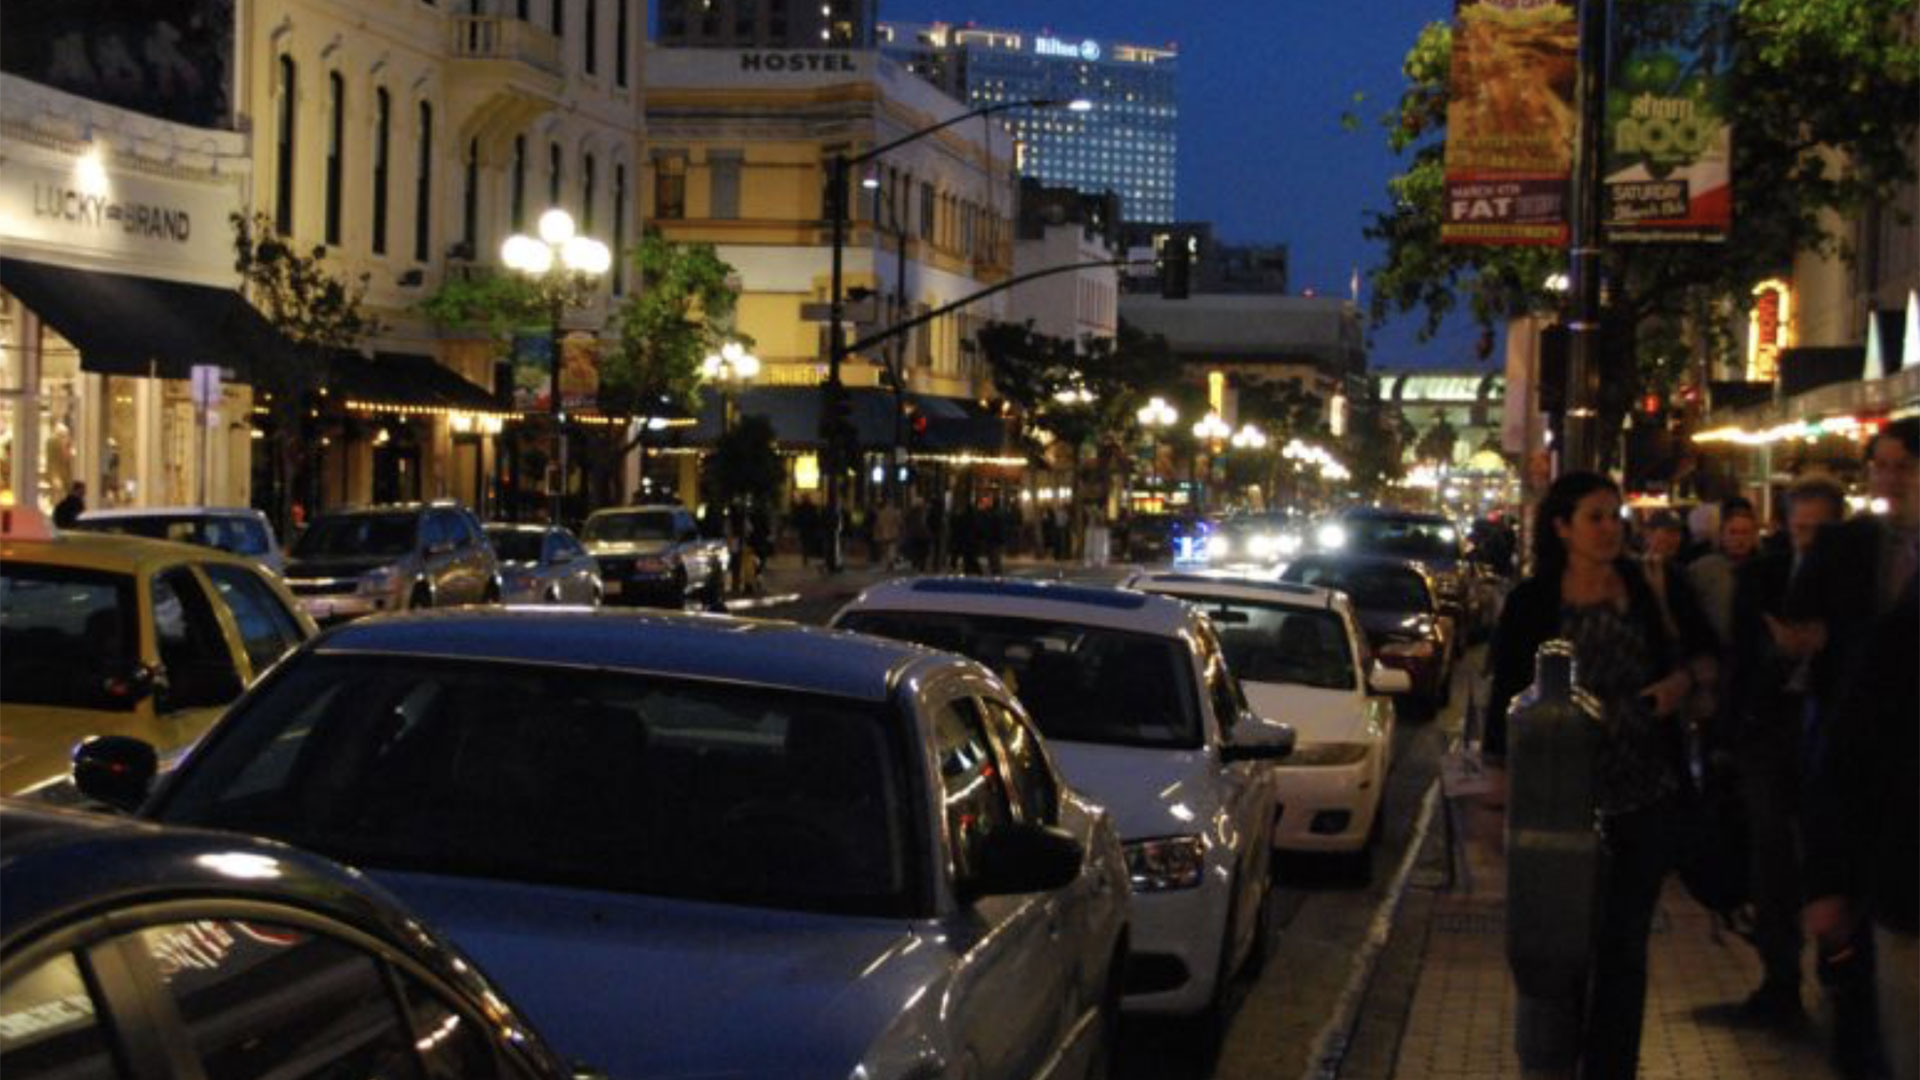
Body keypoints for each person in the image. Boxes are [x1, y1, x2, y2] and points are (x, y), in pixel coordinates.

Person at [1487, 471, 1716, 1080]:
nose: (1611, 528)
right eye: (1596, 516)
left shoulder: (1647, 587)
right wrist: (1500, 793)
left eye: (1616, 516)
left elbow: (1701, 656)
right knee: (1558, 948)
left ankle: (1612, 1067)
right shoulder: (1534, 601)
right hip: (1557, 805)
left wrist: (1680, 686)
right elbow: (1503, 703)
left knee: (1623, 949)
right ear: (1562, 527)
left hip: (1643, 793)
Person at [1780, 417, 1919, 1080]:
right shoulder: (1852, 550)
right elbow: (1847, 734)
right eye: (1883, 465)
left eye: (1905, 466)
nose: (1892, 479)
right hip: (1881, 822)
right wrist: (1828, 880)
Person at [1726, 475, 1846, 1030]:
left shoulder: (1857, 585)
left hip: (1832, 734)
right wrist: (1782, 655)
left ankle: (1838, 969)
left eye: (1819, 531)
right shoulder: (1763, 576)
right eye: (1800, 530)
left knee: (1830, 853)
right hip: (1771, 732)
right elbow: (1742, 661)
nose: (1808, 541)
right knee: (1770, 855)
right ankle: (1780, 978)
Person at [1688, 497, 1760, 648]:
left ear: (1754, 536)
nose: (1739, 539)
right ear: (1722, 535)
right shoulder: (1702, 569)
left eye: (1745, 533)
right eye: (1733, 532)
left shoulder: (1764, 568)